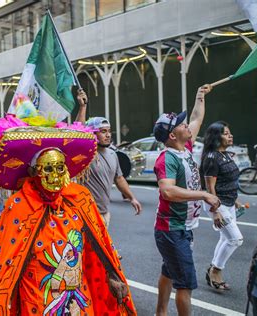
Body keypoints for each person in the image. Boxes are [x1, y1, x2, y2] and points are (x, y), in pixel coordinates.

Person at [0, 124, 136, 315]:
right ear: (33, 172)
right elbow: (7, 263)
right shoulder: (19, 206)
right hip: (38, 299)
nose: (55, 175)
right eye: (48, 168)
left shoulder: (79, 197)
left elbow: (99, 242)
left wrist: (111, 272)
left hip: (78, 298)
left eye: (60, 167)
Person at [152, 84, 220, 316]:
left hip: (181, 228)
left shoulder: (185, 147)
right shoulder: (167, 159)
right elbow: (168, 192)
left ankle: (160, 312)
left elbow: (197, 117)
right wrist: (204, 194)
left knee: (170, 271)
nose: (187, 125)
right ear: (172, 135)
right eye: (181, 125)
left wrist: (200, 95)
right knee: (186, 283)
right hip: (172, 229)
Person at [201, 121, 243, 290]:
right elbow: (210, 188)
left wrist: (236, 199)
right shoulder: (212, 158)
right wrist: (216, 211)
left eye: (229, 132)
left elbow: (229, 180)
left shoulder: (225, 154)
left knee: (225, 238)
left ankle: (213, 267)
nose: (230, 135)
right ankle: (215, 270)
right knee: (235, 239)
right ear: (216, 137)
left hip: (229, 202)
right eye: (226, 133)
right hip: (218, 204)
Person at [83, 117, 142, 226]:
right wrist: (83, 107)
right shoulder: (86, 154)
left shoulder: (112, 154)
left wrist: (132, 198)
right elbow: (79, 130)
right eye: (103, 132)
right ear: (92, 134)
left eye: (109, 131)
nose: (108, 135)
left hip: (105, 214)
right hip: (86, 214)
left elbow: (119, 179)